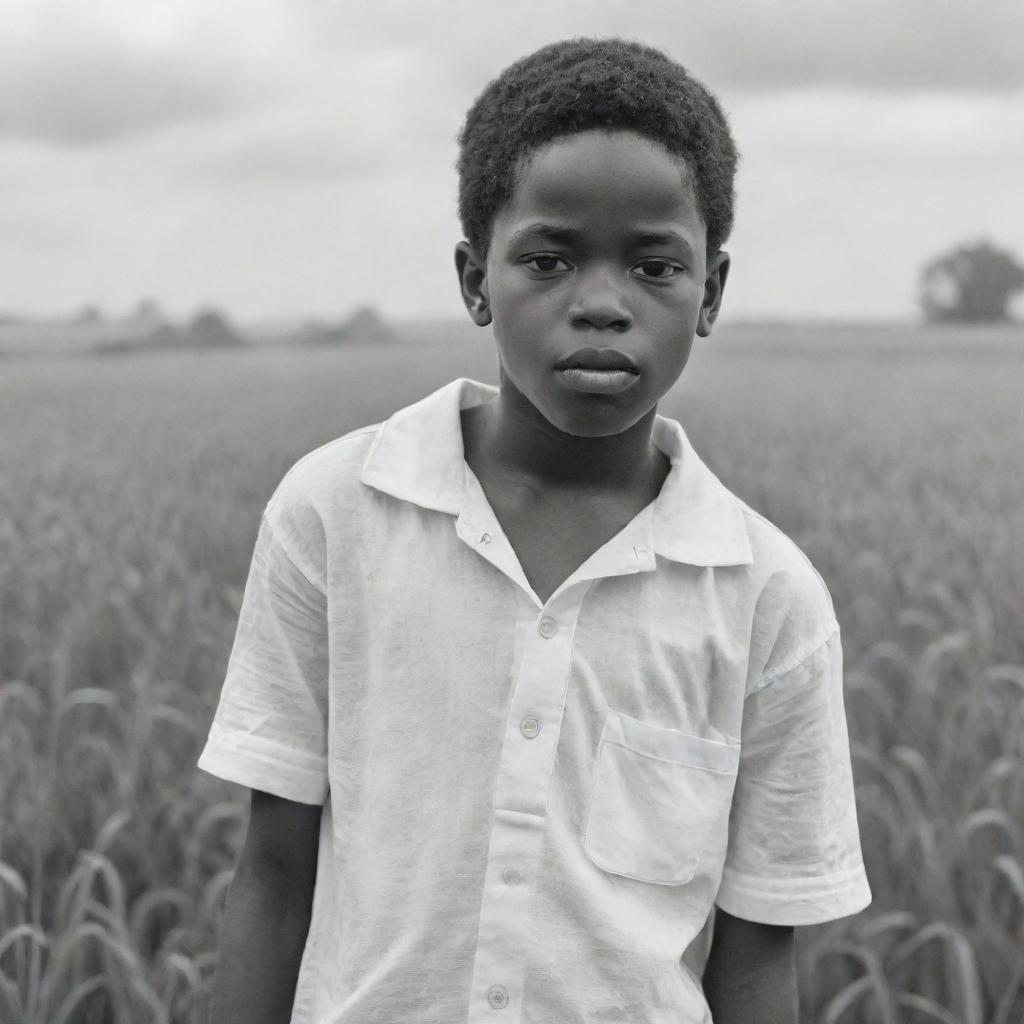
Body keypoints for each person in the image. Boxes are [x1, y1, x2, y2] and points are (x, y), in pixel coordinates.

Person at [198, 37, 872, 1024]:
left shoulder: (766, 595)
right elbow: (271, 869)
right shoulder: (337, 511)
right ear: (476, 278)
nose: (600, 306)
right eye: (548, 259)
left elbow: (758, 956)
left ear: (711, 293)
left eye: (653, 264)